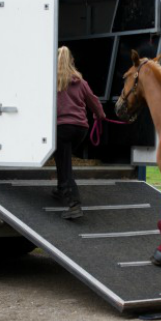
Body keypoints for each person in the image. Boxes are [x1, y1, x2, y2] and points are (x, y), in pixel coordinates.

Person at [54, 46, 106, 219]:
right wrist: (100, 115)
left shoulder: (52, 81)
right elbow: (94, 102)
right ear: (72, 62)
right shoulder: (81, 82)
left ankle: (74, 204)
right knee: (63, 158)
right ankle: (61, 189)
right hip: (80, 129)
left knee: (64, 164)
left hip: (62, 128)